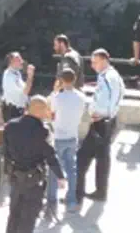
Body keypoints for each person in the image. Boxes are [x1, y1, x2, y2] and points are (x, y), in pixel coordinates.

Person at [3, 95, 65, 233]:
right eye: (46, 109)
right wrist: (60, 176)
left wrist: (8, 172)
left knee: (14, 214)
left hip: (15, 177)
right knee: (28, 216)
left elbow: (5, 152)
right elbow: (50, 156)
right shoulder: (43, 131)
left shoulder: (10, 126)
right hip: (33, 180)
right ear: (41, 111)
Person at [76, 48, 125, 204]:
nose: (92, 65)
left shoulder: (106, 78)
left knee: (82, 158)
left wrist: (96, 114)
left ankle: (76, 194)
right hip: (109, 121)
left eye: (94, 61)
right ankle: (100, 191)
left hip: (100, 122)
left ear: (104, 60)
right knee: (103, 159)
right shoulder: (114, 75)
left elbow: (103, 100)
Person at [46, 68, 86, 215]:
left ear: (61, 80)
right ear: (74, 79)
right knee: (71, 169)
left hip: (58, 137)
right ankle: (71, 201)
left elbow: (51, 114)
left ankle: (52, 201)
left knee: (54, 169)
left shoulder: (57, 97)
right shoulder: (81, 97)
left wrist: (55, 91)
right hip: (72, 135)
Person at [1, 52, 34, 123]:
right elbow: (25, 91)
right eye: (18, 59)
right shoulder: (9, 76)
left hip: (19, 109)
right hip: (12, 111)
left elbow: (25, 90)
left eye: (21, 59)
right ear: (11, 62)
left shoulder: (17, 73)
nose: (22, 62)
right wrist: (30, 76)